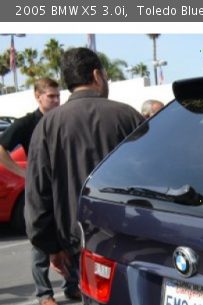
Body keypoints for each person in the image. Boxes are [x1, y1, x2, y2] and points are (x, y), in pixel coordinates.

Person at [25, 48, 143, 291]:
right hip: (128, 239)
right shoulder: (128, 116)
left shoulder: (48, 126)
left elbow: (37, 196)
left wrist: (51, 247)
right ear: (97, 75)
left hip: (77, 244)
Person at [0, 77, 77, 305]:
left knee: (68, 237)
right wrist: (22, 173)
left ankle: (71, 285)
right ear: (38, 96)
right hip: (38, 193)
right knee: (40, 241)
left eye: (58, 96)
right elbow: (2, 148)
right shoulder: (26, 123)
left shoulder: (63, 119)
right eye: (51, 96)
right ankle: (44, 293)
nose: (56, 100)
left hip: (62, 190)